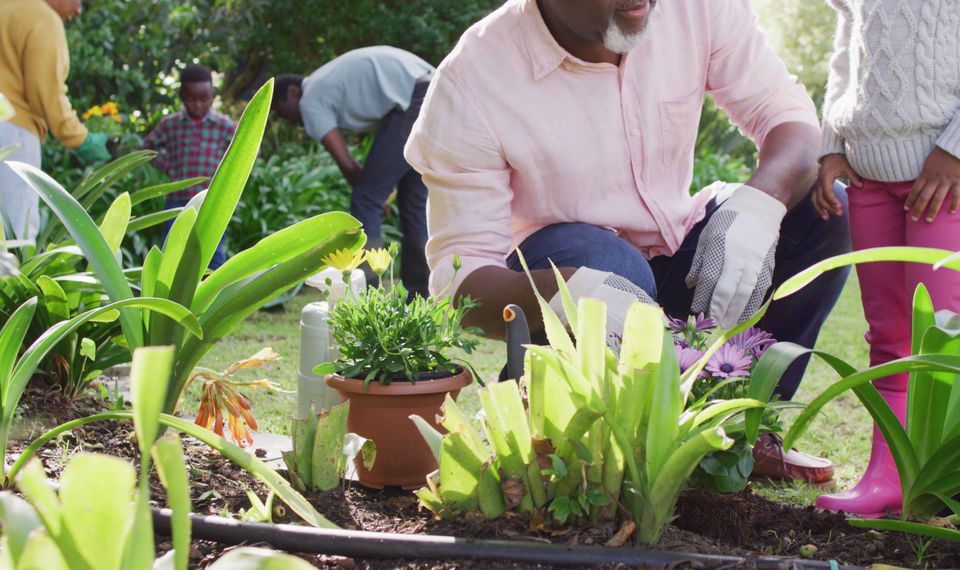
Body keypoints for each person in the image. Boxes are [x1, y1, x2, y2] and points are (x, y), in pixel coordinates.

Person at [406, 0, 853, 484]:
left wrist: (760, 206)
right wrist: (570, 293)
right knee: (606, 259)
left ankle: (733, 426)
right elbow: (461, 284)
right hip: (570, 272)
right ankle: (578, 444)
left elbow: (786, 116)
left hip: (678, 258)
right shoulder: (474, 80)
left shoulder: (694, 9)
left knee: (821, 208)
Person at [812, 0, 960, 517]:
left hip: (950, 172)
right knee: (889, 335)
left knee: (943, 334)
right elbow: (847, 43)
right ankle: (890, 471)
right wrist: (833, 139)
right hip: (867, 172)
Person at [271, 47, 435, 297]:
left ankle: (369, 293)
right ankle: (420, 297)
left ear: (293, 92)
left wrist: (374, 195)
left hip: (411, 101)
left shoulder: (310, 99)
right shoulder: (325, 82)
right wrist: (377, 192)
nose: (290, 121)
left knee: (365, 200)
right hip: (432, 93)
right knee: (411, 203)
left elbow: (347, 165)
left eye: (284, 112)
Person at [0, 0, 110, 242]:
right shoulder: (41, 17)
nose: (79, 10)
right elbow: (46, 93)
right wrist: (82, 138)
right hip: (12, 133)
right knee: (14, 232)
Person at [145, 63, 236, 269]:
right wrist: (168, 166)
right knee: (171, 251)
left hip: (211, 201)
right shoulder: (170, 125)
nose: (197, 105)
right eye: (191, 99)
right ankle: (167, 297)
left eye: (204, 99)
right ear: (181, 96)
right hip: (177, 200)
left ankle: (215, 295)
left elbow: (248, 149)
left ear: (212, 96)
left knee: (213, 250)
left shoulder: (223, 126)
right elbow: (148, 147)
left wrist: (227, 173)